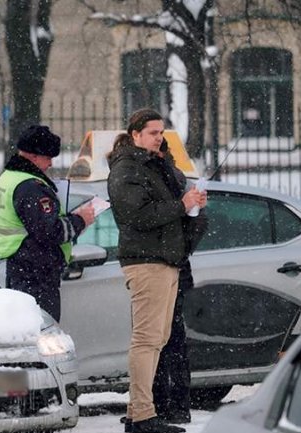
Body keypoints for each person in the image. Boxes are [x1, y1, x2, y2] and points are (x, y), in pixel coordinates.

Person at [107, 109, 205, 433]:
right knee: (147, 340)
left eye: (161, 132)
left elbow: (167, 209)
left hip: (165, 260)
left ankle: (139, 414)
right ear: (135, 134)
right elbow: (139, 215)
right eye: (152, 133)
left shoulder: (154, 165)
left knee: (158, 339)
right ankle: (144, 416)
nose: (159, 138)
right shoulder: (126, 168)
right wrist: (181, 204)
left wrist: (190, 204)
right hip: (146, 262)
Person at [0, 124, 95, 322]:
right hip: (36, 273)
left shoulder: (9, 178)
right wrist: (80, 220)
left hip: (20, 266)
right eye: (48, 158)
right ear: (33, 156)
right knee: (43, 335)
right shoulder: (30, 187)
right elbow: (49, 231)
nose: (50, 164)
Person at [152, 139, 208, 425]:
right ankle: (173, 404)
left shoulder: (167, 179)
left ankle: (168, 404)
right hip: (176, 266)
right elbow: (193, 230)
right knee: (170, 341)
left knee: (164, 341)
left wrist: (191, 211)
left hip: (170, 268)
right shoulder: (173, 178)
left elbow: (186, 227)